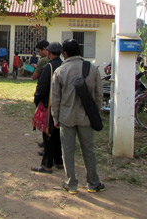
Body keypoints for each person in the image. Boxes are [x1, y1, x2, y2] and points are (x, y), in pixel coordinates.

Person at [51, 39, 105, 194]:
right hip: (86, 117)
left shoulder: (60, 71)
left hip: (66, 117)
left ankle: (71, 183)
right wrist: (95, 111)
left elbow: (55, 99)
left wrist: (56, 118)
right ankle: (93, 183)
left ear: (65, 53)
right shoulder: (92, 68)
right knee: (89, 150)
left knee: (67, 151)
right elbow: (99, 94)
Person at [31, 42, 64, 174]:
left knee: (48, 135)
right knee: (58, 135)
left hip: (49, 104)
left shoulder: (48, 67)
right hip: (63, 105)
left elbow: (42, 88)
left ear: (49, 53)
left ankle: (47, 164)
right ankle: (59, 161)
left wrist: (37, 101)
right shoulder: (64, 66)